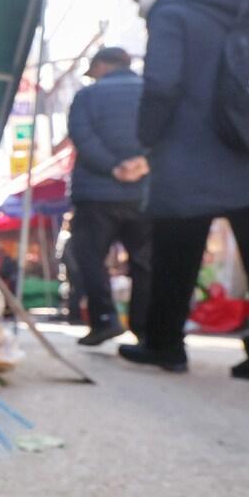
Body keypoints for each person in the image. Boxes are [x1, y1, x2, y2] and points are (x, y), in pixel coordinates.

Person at [114, 0, 249, 383]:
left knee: (175, 252)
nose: (140, 8)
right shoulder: (241, 9)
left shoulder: (170, 14)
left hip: (190, 153)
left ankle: (164, 344)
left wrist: (147, 139)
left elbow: (162, 84)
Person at [65, 46, 152, 346]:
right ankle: (144, 327)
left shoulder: (86, 96)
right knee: (144, 262)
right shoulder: (152, 92)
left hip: (96, 193)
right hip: (144, 191)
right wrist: (144, 163)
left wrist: (113, 168)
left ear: (102, 65)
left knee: (89, 257)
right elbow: (167, 132)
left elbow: (82, 136)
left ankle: (105, 319)